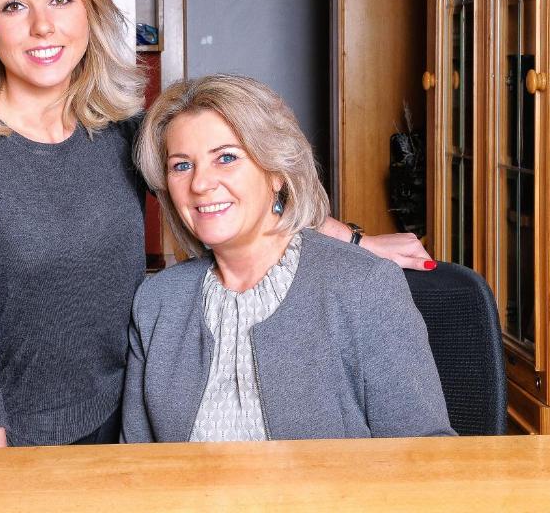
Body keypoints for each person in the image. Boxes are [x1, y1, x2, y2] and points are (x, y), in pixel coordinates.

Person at [0, 0, 435, 449]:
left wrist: (355, 241)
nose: (43, 25)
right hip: (4, 441)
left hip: (119, 426)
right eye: (13, 6)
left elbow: (241, 177)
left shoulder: (121, 131)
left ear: (88, 7)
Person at [122, 74, 454, 442]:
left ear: (276, 171)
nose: (200, 184)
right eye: (181, 165)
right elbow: (135, 469)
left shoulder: (364, 287)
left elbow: (426, 457)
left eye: (226, 158)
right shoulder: (157, 303)